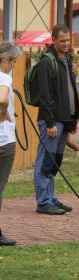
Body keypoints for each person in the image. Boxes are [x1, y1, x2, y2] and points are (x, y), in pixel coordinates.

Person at [33, 24, 79, 215]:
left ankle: (51, 197)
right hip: (51, 121)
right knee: (45, 160)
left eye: (68, 40)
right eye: (62, 41)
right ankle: (43, 202)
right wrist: (51, 123)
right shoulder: (46, 62)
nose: (66, 43)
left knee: (55, 160)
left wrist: (73, 120)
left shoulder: (67, 60)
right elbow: (44, 95)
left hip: (65, 119)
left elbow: (70, 91)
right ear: (53, 40)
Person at [0, 41, 21, 246]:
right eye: (13, 61)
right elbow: (2, 99)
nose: (14, 65)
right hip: (4, 141)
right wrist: (4, 113)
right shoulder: (4, 77)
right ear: (5, 60)